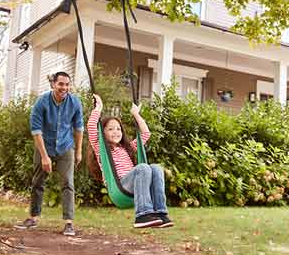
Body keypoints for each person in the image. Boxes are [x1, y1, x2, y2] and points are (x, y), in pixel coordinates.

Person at [87, 94, 173, 228]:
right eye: (110, 129)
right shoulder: (101, 148)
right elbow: (92, 128)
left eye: (118, 129)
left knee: (156, 167)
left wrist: (136, 114)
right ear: (102, 133)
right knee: (143, 167)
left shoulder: (127, 148)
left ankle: (160, 213)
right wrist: (98, 108)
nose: (116, 132)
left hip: (136, 184)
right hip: (119, 187)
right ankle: (142, 215)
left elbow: (145, 134)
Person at [15, 71, 84, 236]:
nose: (64, 87)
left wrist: (79, 151)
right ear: (53, 84)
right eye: (61, 84)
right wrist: (45, 156)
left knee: (68, 182)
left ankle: (69, 223)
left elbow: (79, 127)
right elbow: (36, 130)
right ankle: (33, 217)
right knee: (38, 181)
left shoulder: (75, 102)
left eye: (67, 84)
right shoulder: (42, 102)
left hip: (65, 146)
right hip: (44, 145)